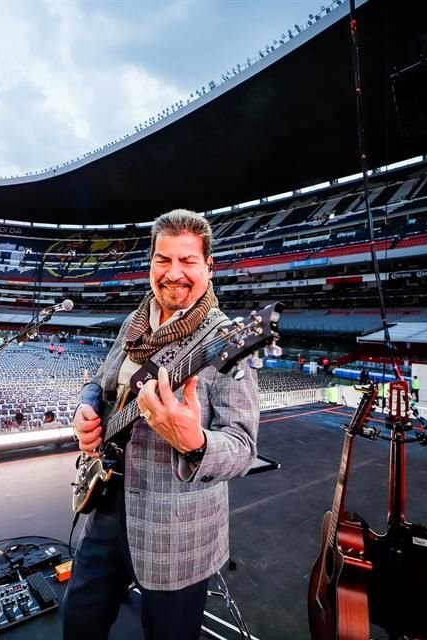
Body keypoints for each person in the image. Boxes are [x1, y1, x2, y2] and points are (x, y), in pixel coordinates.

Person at [63, 209, 259, 639]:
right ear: (150, 263)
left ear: (209, 266)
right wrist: (85, 410)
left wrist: (196, 443)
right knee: (77, 621)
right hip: (107, 504)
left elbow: (244, 447)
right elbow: (100, 383)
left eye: (187, 261)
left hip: (177, 533)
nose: (173, 273)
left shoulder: (228, 341)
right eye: (163, 260)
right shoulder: (135, 323)